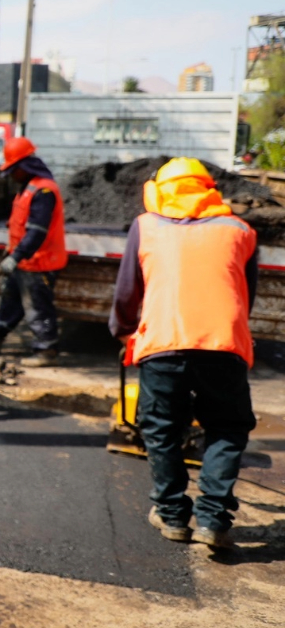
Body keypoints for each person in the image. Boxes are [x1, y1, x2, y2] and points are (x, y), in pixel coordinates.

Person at [109, 157, 258, 551]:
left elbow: (127, 291)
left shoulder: (145, 227)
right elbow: (246, 297)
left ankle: (173, 515)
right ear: (208, 189)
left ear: (160, 189)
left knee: (161, 429)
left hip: (163, 345)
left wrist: (122, 329)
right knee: (226, 428)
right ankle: (212, 520)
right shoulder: (240, 230)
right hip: (224, 345)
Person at [0, 136, 67, 367]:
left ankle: (46, 350)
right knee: (11, 303)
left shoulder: (43, 191)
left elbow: (37, 232)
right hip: (24, 262)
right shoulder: (28, 188)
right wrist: (12, 255)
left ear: (23, 166)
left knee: (37, 308)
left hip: (39, 262)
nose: (11, 176)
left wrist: (16, 256)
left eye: (13, 170)